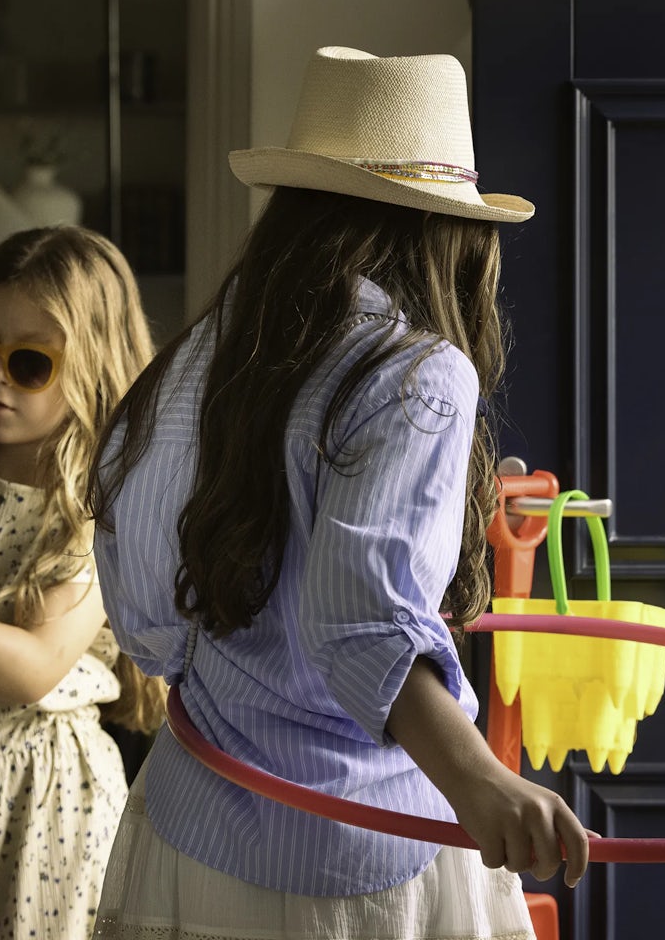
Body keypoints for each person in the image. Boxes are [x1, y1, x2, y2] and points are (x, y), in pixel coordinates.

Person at [87, 46, 590, 940]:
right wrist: (480, 779)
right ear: (453, 233)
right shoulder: (421, 374)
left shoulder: (201, 358)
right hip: (371, 864)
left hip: (191, 831)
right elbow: (363, 616)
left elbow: (152, 622)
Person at [0, 225, 167, 940]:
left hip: (45, 798)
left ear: (87, 365)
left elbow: (34, 667)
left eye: (30, 362)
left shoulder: (98, 504)